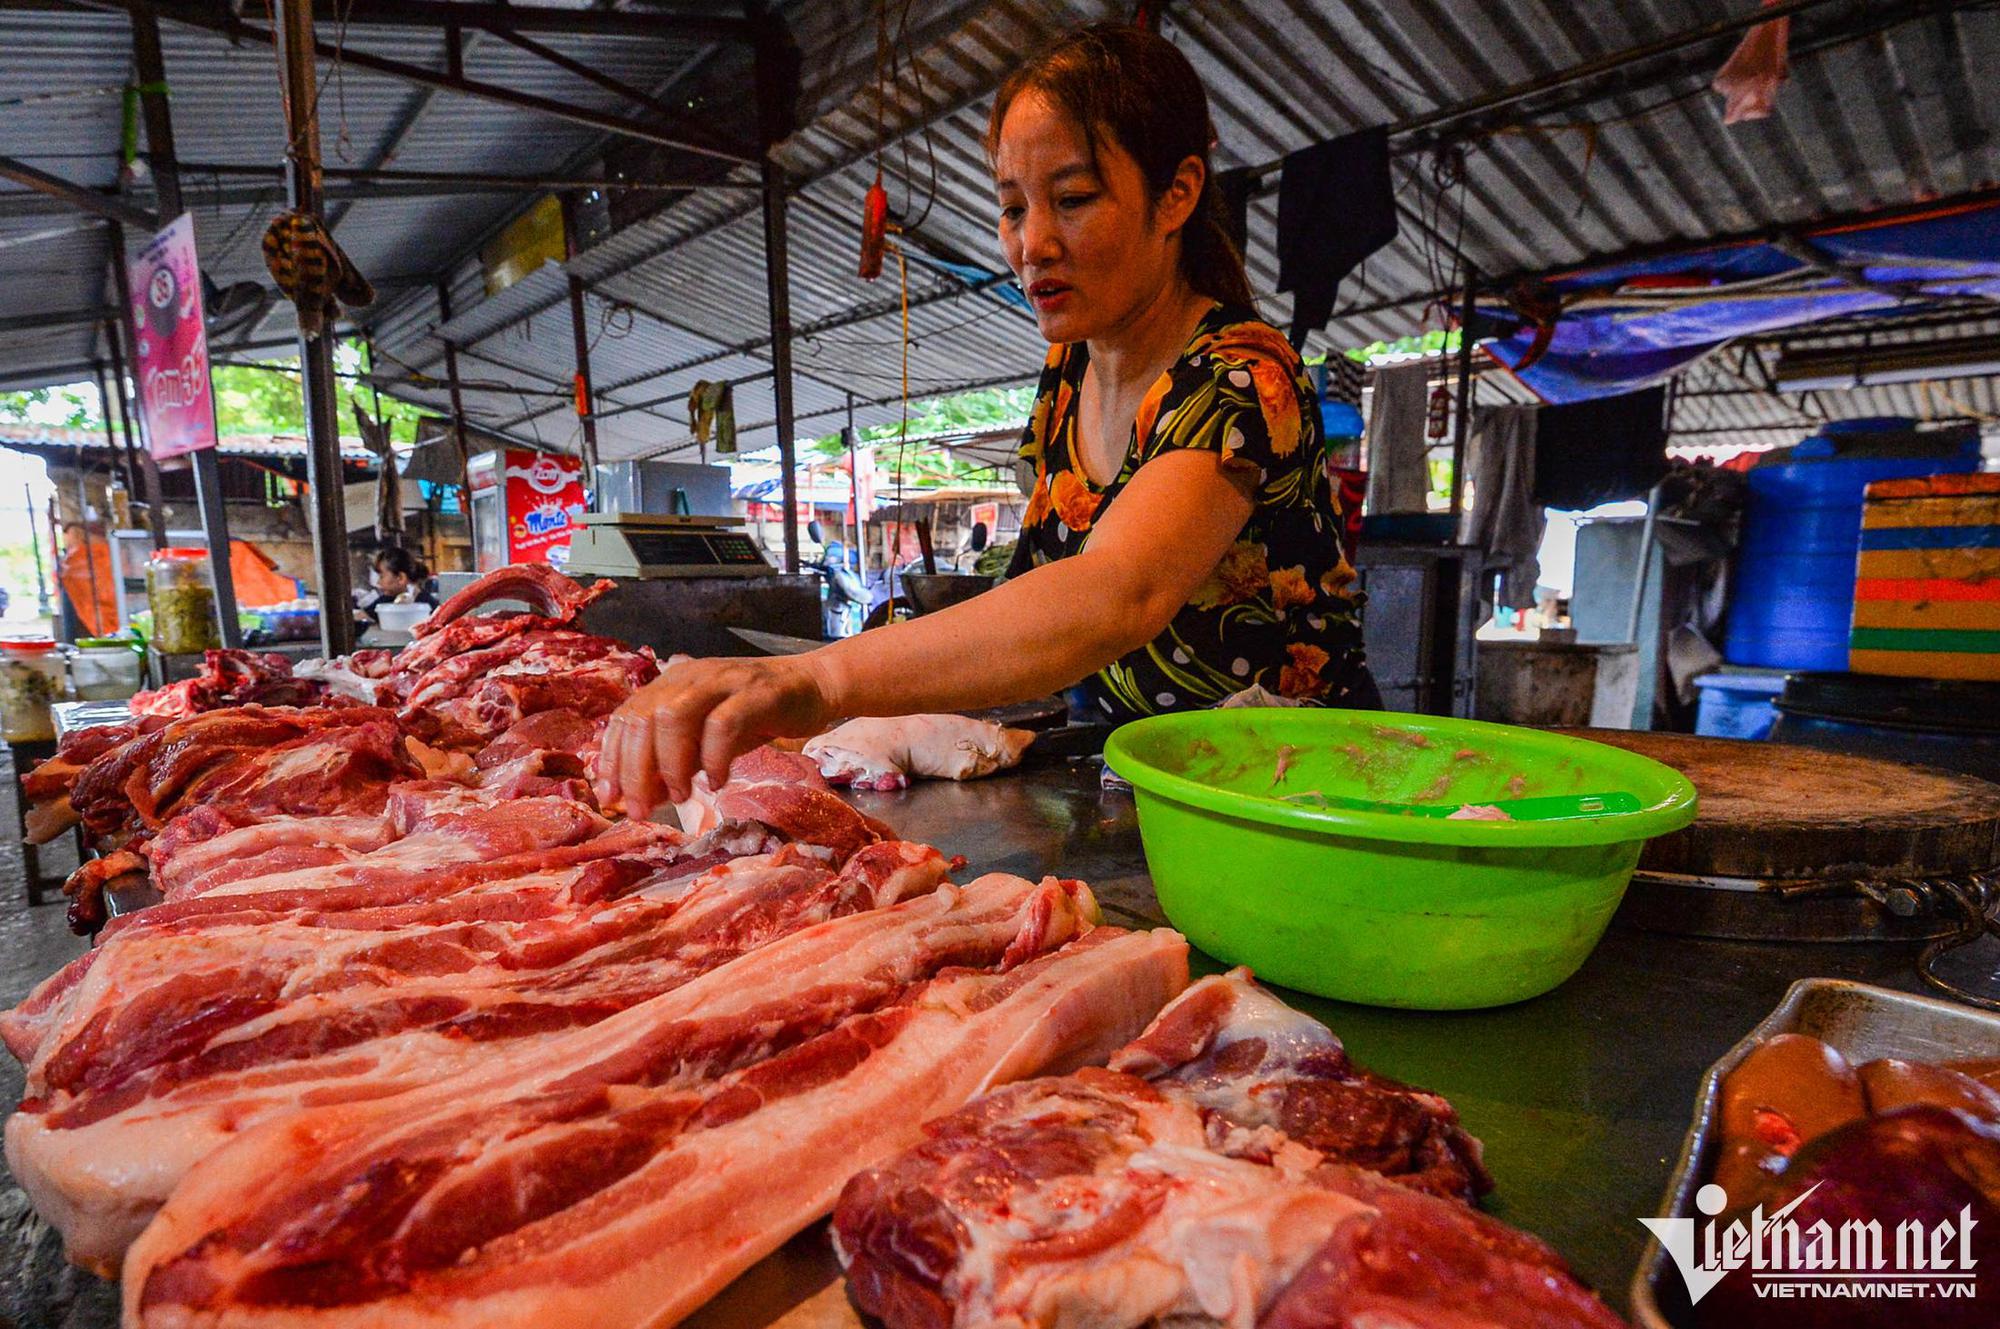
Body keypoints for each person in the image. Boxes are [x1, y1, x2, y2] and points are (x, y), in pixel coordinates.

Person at [602, 23, 1370, 812]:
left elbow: (1114, 595)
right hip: (1150, 789)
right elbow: (1042, 590)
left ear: (1176, 194)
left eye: (1073, 200)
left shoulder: (1241, 375)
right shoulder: (1070, 371)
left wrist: (820, 677)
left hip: (1294, 800)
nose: (1032, 243)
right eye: (1012, 207)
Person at [356, 546, 437, 624]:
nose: (378, 583)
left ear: (401, 578)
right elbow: (361, 617)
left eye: (381, 576)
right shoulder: (385, 601)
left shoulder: (430, 606)